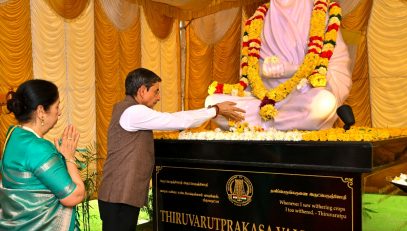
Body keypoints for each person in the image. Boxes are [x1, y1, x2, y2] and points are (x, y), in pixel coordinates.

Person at [98, 67, 245, 230]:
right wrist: (215, 110)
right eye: (155, 92)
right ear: (141, 91)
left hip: (119, 195)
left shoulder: (129, 109)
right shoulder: (134, 111)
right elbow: (176, 121)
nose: (158, 97)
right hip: (118, 196)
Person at [206, 0, 352, 131]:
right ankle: (275, 124)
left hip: (301, 99)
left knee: (325, 104)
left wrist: (291, 70)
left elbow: (338, 71)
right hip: (264, 101)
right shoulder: (258, 21)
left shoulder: (322, 15)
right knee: (213, 102)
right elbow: (248, 77)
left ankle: (265, 125)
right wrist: (263, 71)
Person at [0, 79, 85, 230]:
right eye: (56, 106)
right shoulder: (38, 148)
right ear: (41, 112)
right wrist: (69, 157)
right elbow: (74, 196)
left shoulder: (14, 135)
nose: (59, 112)